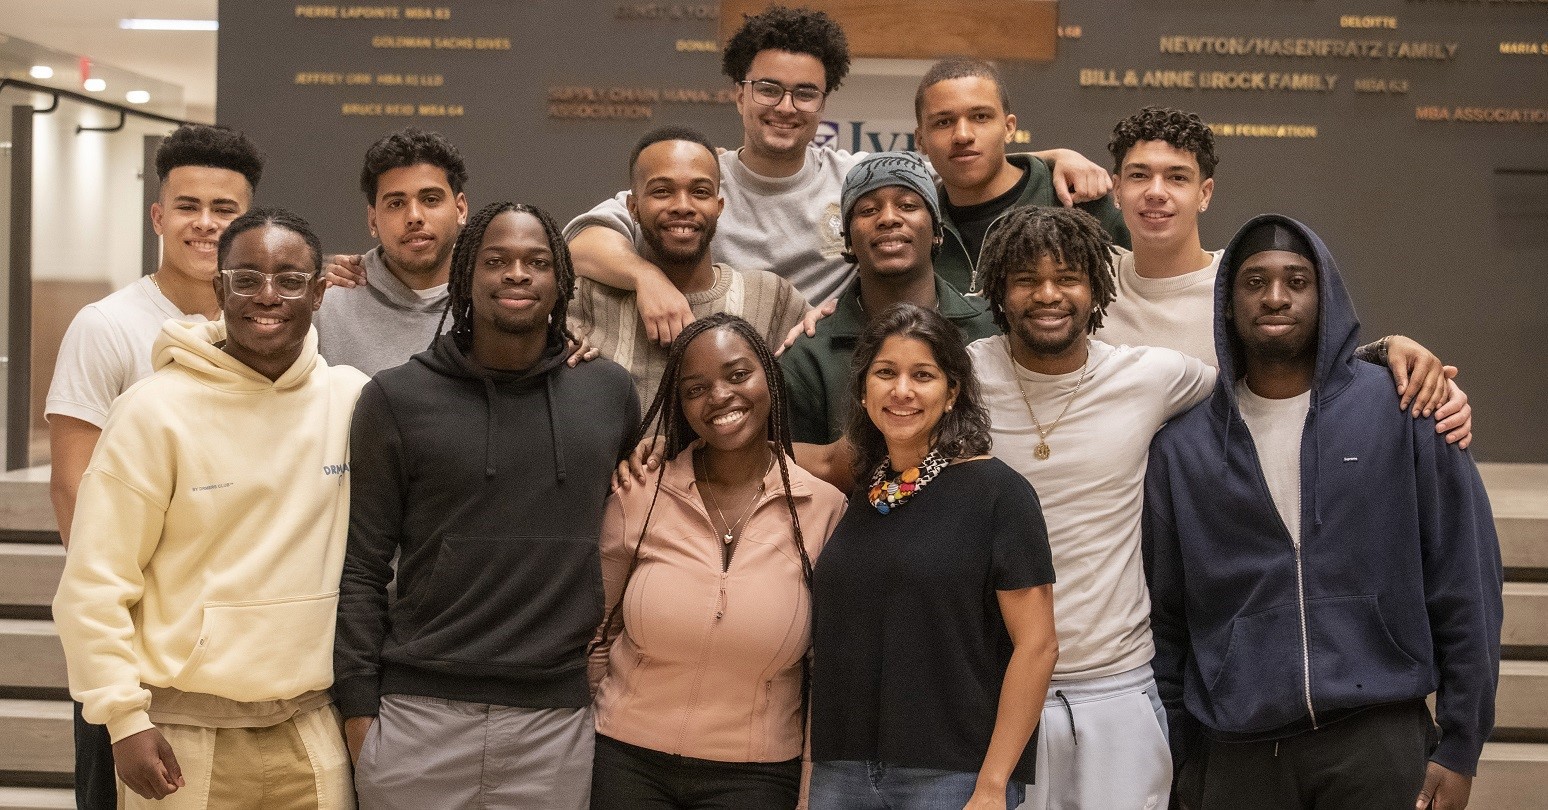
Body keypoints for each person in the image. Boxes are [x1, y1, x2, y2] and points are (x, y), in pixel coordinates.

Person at [1144, 214, 1503, 809]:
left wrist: (1461, 745)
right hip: (1237, 755)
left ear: (1325, 292)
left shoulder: (1407, 407)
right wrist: (1182, 761)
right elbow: (1167, 619)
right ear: (1228, 303)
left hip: (1379, 740)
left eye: (1296, 280)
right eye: (1255, 282)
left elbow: (1465, 580)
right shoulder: (1184, 448)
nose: (1276, 297)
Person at [52, 209, 366, 809]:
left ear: (320, 292)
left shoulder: (350, 401)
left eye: (290, 279)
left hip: (311, 724)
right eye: (246, 279)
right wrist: (123, 718)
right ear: (220, 290)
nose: (267, 296)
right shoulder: (153, 412)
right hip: (180, 730)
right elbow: (93, 582)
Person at [564, 4, 1112, 347]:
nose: (786, 106)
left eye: (806, 93)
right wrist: (647, 278)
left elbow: (961, 157)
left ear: (822, 104)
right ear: (740, 94)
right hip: (713, 365)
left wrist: (1052, 156)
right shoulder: (699, 185)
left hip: (826, 360)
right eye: (769, 89)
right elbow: (581, 242)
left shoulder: (857, 181)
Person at [334, 202, 639, 808]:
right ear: (466, 277)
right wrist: (360, 710)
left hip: (552, 721)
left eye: (537, 262)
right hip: (417, 716)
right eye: (496, 260)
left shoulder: (607, 392)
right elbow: (361, 568)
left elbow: (631, 518)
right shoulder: (395, 398)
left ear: (562, 283)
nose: (517, 274)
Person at [43, 122, 263, 810]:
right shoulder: (106, 325)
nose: (206, 224)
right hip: (133, 652)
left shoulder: (264, 328)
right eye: (189, 206)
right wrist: (121, 631)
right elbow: (71, 487)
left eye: (224, 209)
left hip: (226, 652)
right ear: (159, 216)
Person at [969, 206, 1215, 808]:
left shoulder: (1151, 374)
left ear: (1097, 286)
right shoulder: (962, 377)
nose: (1048, 295)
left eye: (1068, 277)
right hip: (994, 690)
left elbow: (1272, 376)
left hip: (1119, 687)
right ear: (1000, 288)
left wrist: (1390, 351)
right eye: (1026, 279)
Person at [1098, 106, 1473, 447]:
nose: (1156, 192)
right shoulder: (1085, 283)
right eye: (1139, 176)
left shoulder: (1245, 286)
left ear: (1204, 193)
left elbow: (1309, 361)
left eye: (1177, 177)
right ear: (1117, 189)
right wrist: (1053, 158)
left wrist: (1390, 350)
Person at [588, 313, 846, 809]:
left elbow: (825, 673)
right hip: (625, 759)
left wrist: (810, 787)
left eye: (737, 375)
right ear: (680, 404)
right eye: (695, 388)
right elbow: (596, 630)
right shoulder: (641, 492)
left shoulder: (823, 510)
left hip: (758, 774)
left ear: (770, 377)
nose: (720, 397)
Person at [809, 303, 1057, 809]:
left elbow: (1038, 647)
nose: (902, 391)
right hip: (843, 772)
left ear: (952, 394)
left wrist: (991, 786)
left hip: (953, 777)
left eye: (922, 375)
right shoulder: (864, 494)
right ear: (863, 390)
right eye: (885, 373)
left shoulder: (998, 494)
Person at [781, 151, 999, 454]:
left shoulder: (990, 327)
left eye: (908, 205)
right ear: (847, 238)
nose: (888, 218)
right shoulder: (809, 357)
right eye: (868, 210)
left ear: (937, 231)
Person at [571, 126, 809, 404]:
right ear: (633, 208)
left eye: (700, 191)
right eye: (662, 191)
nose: (683, 205)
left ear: (719, 206)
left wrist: (824, 316)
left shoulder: (771, 297)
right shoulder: (586, 295)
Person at [913, 56, 1129, 294]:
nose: (963, 135)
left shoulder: (1079, 204)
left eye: (980, 117)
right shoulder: (913, 223)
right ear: (921, 140)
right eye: (943, 122)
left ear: (1009, 128)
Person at [315, 128, 468, 376]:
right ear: (373, 220)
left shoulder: (493, 301)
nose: (414, 217)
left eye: (430, 199)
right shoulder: (326, 308)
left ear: (460, 209)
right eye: (396, 203)